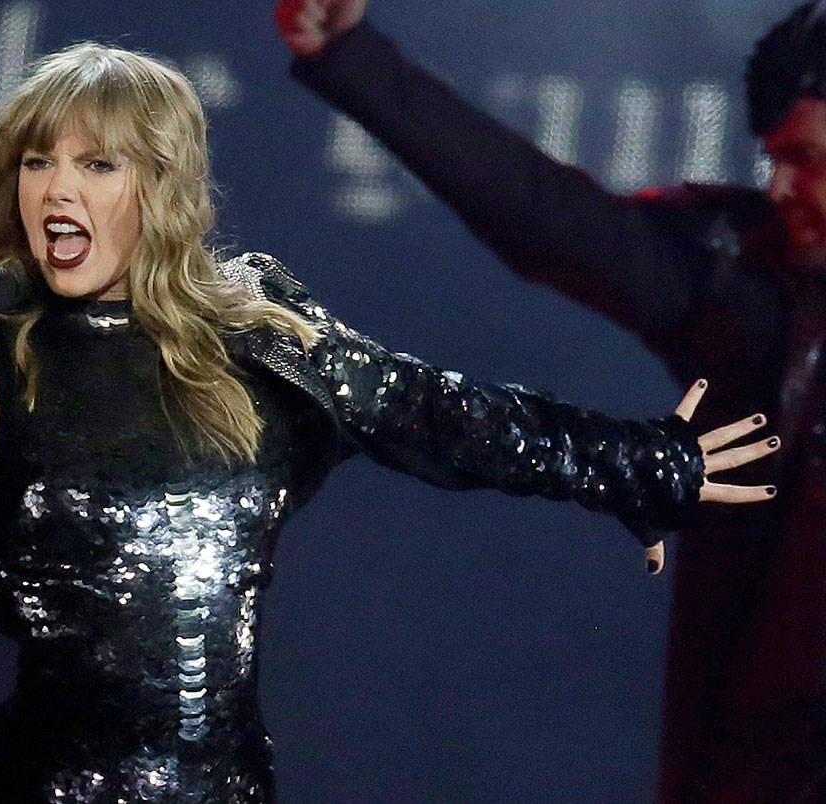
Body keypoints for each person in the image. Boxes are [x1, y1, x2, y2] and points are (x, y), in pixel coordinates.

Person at [0, 41, 776, 802]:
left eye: (95, 164)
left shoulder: (253, 332)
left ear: (155, 187)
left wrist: (635, 463)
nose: (58, 191)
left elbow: (439, 414)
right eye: (36, 162)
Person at [276, 0, 826, 799]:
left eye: (805, 156)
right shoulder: (745, 289)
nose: (779, 185)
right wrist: (351, 57)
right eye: (774, 157)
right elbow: (549, 216)